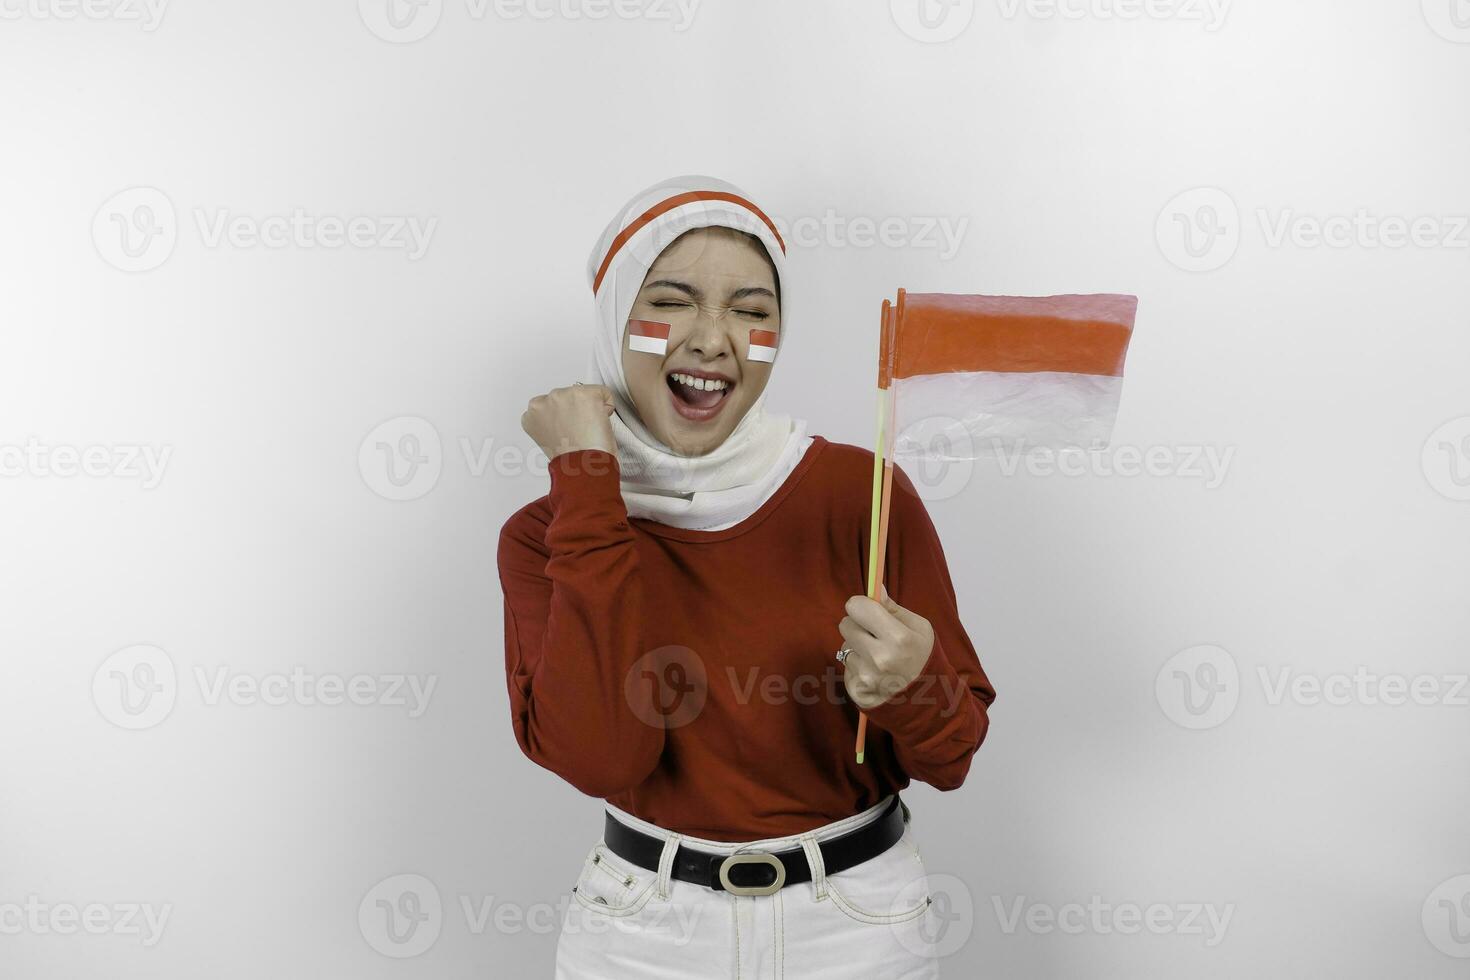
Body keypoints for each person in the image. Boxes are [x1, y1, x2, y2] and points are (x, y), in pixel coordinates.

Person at [497, 175, 996, 978]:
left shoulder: (860, 496)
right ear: (613, 315)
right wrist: (588, 481)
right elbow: (603, 758)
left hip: (857, 925)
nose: (712, 338)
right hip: (643, 936)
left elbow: (956, 754)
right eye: (673, 300)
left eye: (752, 311)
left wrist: (914, 685)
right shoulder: (547, 533)